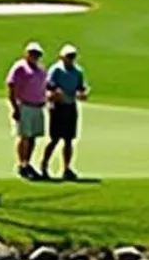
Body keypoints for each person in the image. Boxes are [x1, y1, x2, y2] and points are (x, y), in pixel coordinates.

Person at [41, 44, 88, 181]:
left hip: (70, 106)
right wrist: (54, 93)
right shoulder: (56, 70)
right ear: (62, 57)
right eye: (68, 56)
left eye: (73, 56)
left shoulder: (78, 71)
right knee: (54, 139)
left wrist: (82, 93)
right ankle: (44, 166)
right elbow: (49, 86)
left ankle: (67, 168)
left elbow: (81, 87)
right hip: (58, 107)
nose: (71, 59)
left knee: (69, 140)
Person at [6, 41, 48, 180]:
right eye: (32, 54)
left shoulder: (41, 69)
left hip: (38, 106)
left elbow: (44, 87)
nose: (35, 56)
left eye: (37, 54)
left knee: (33, 137)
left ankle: (28, 163)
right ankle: (22, 164)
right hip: (24, 105)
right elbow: (11, 86)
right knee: (24, 136)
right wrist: (15, 107)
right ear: (27, 54)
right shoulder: (20, 67)